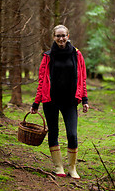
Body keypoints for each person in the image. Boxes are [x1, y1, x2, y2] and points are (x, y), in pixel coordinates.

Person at [30, 25, 89, 179]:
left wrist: (84, 99)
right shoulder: (47, 56)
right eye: (58, 36)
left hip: (70, 101)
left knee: (72, 134)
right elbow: (42, 81)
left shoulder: (77, 55)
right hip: (50, 101)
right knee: (53, 132)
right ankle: (58, 167)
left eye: (63, 35)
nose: (61, 39)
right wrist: (36, 103)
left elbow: (82, 78)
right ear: (53, 37)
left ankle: (72, 168)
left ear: (68, 36)